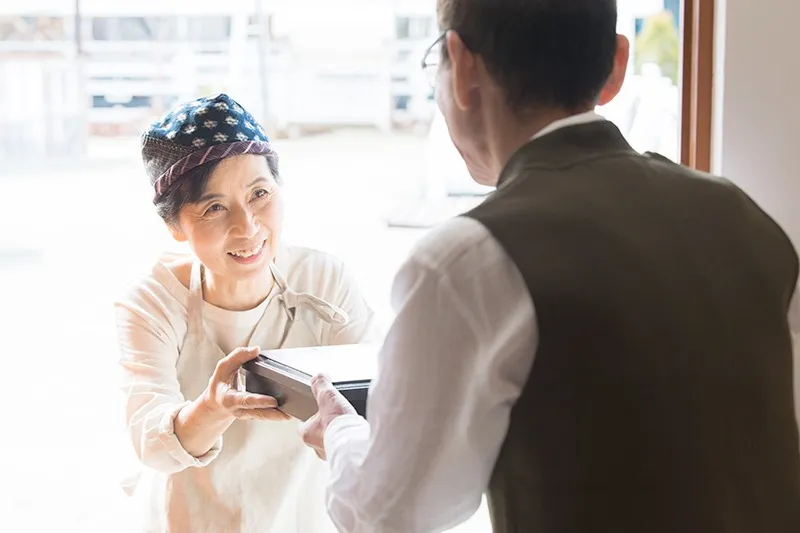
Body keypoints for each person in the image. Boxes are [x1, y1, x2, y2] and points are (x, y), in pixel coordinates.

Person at [300, 1, 800, 532]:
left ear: (461, 65)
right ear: (617, 64)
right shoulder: (745, 217)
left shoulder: (467, 259)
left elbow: (390, 513)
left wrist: (341, 431)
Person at [114, 93, 381, 533]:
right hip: (190, 518)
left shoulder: (322, 280)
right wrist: (214, 407)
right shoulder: (153, 301)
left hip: (302, 516)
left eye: (259, 194)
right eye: (214, 207)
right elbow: (151, 443)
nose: (248, 226)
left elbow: (384, 395)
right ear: (174, 225)